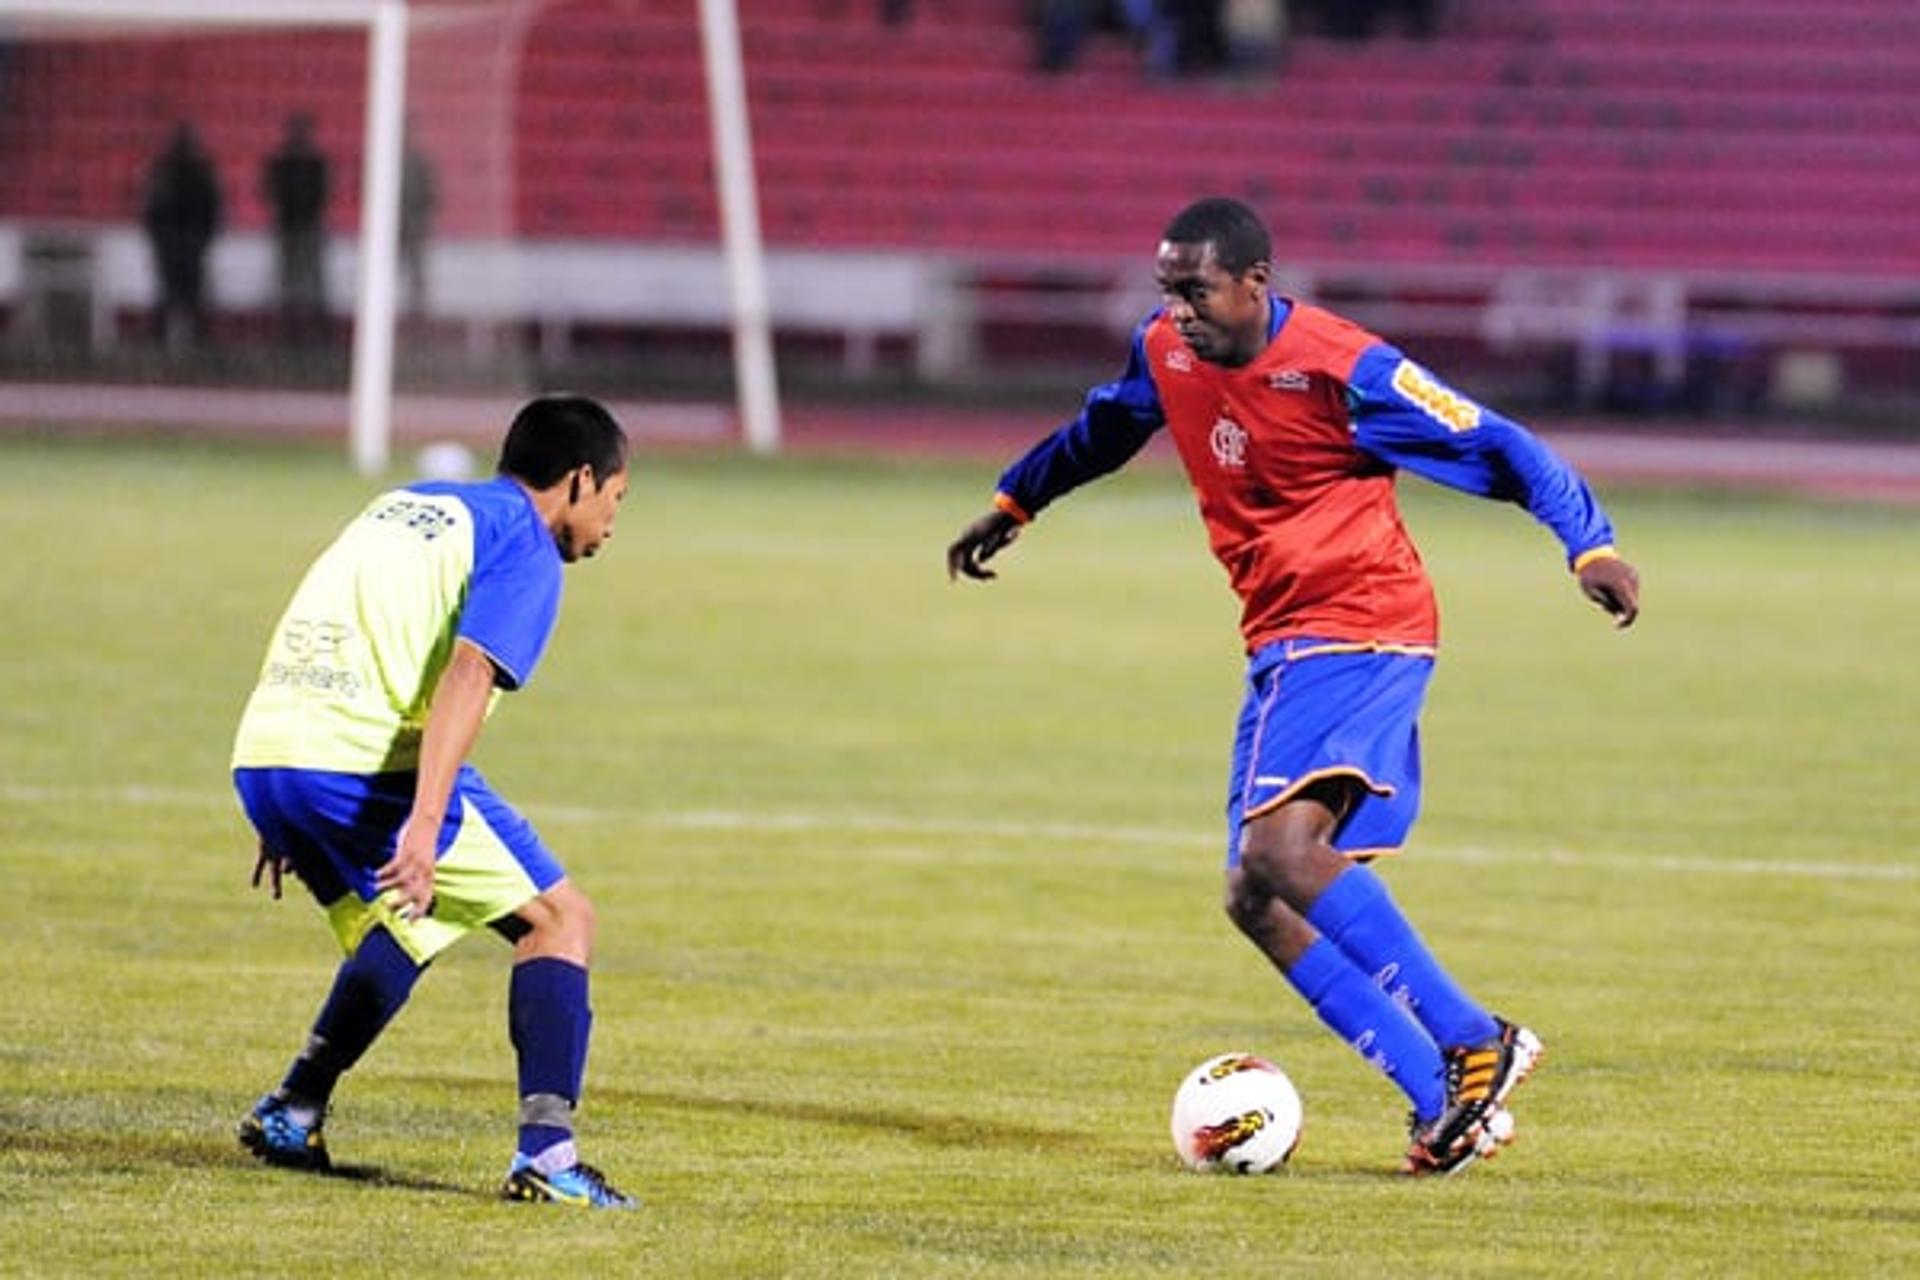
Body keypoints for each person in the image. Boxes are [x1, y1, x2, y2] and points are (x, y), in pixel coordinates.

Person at [947, 197, 1640, 1177]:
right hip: (1282, 640)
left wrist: (1590, 544)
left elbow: (1502, 441)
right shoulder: (1165, 351)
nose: (1179, 308)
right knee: (1256, 892)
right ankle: (1441, 1096)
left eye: (1197, 289)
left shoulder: (1346, 365)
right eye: (1168, 289)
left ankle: (1474, 1037)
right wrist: (1015, 501)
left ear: (1255, 281)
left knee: (1281, 846)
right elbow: (1102, 427)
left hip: (1360, 622)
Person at [231, 395, 636, 1208]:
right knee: (561, 920)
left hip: (270, 749)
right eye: (616, 501)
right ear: (581, 479)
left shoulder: (410, 503)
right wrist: (421, 824)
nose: (612, 523)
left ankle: (294, 1106)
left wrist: (285, 783)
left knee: (409, 923)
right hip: (355, 762)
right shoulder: (524, 542)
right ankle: (550, 1158)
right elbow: (468, 671)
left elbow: (324, 607)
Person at [140, 122, 223, 352]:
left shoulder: (199, 170)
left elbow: (213, 208)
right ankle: (161, 342)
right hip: (173, 240)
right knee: (169, 294)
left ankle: (197, 343)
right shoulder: (165, 169)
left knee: (192, 296)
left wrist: (203, 238)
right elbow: (152, 207)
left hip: (190, 241)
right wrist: (159, 237)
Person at [261, 112, 331, 346]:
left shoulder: (314, 163)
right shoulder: (284, 162)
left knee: (312, 282)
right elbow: (269, 191)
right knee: (290, 281)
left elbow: (323, 194)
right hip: (290, 228)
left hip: (307, 228)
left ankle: (316, 331)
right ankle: (292, 331)